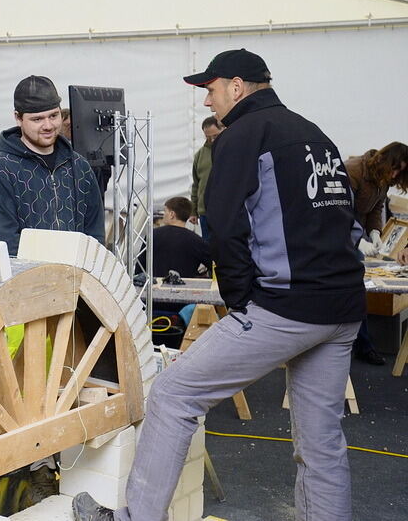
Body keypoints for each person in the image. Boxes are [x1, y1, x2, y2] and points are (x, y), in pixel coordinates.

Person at [74, 49, 366, 521]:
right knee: (322, 443)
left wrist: (242, 301)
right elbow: (347, 221)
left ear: (236, 86)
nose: (207, 102)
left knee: (173, 394)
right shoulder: (317, 136)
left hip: (285, 309)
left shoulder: (240, 137)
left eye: (210, 91)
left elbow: (223, 226)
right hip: (343, 309)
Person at [0, 75, 104, 255]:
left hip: (75, 279)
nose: (48, 125)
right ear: (18, 118)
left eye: (54, 116)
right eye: (37, 119)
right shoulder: (1, 170)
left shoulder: (80, 167)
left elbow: (95, 235)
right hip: (25, 279)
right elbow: (4, 242)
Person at [343, 141, 408, 365]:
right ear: (384, 159)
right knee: (345, 292)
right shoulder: (352, 171)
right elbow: (337, 212)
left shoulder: (383, 179)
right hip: (335, 238)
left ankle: (362, 346)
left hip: (354, 236)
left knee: (358, 292)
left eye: (400, 171)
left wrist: (375, 232)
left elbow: (376, 208)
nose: (395, 174)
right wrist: (357, 240)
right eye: (395, 168)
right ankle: (349, 346)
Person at [143, 197, 211, 279]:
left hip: (155, 288)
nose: (163, 215)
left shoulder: (152, 235)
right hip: (185, 289)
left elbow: (140, 267)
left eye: (165, 211)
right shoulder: (197, 241)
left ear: (172, 214)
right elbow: (214, 265)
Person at [190, 115, 225, 240]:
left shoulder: (230, 150)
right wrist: (193, 211)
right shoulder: (200, 155)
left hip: (225, 210)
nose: (212, 140)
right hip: (204, 211)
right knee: (208, 246)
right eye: (208, 137)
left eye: (215, 136)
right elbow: (196, 184)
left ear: (223, 130)